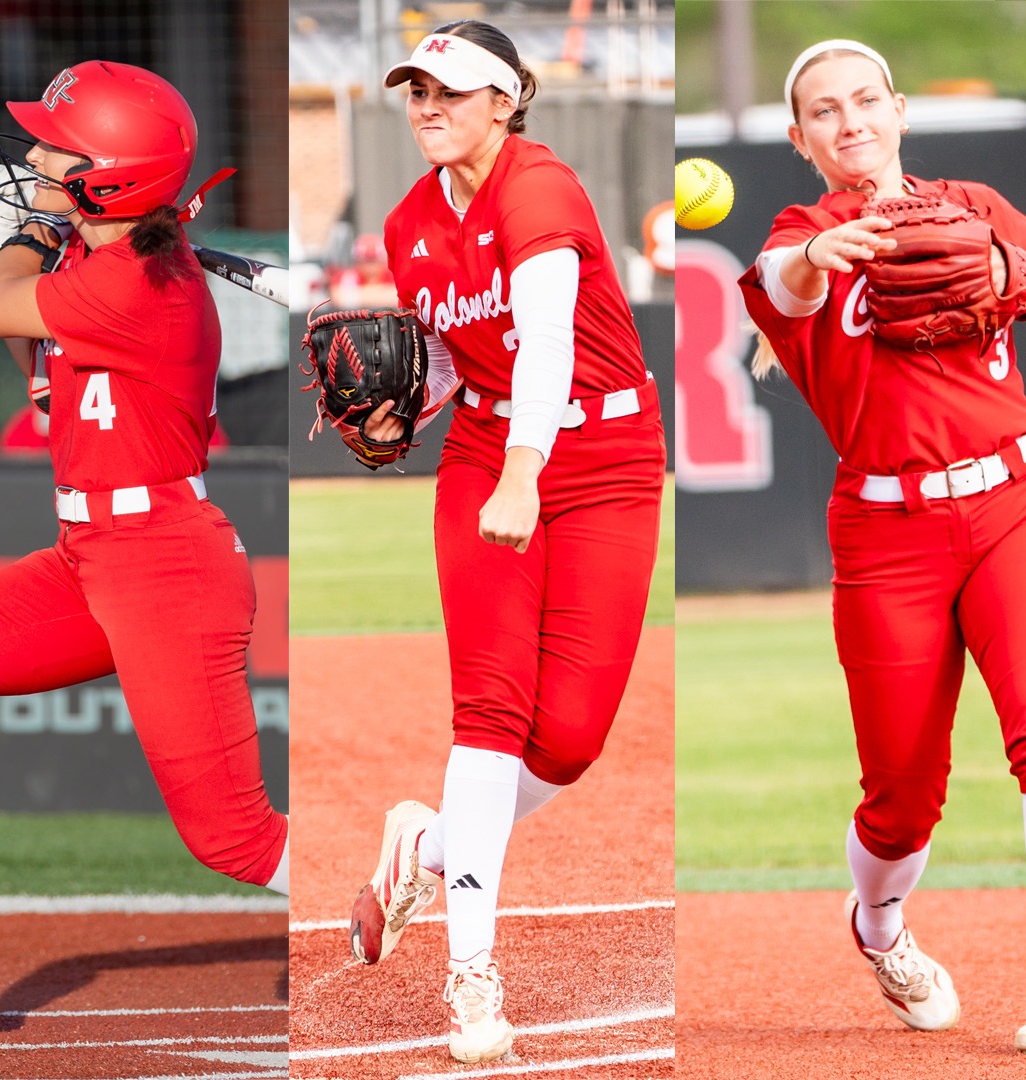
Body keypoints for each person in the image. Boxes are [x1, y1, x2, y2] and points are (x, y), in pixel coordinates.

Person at [0, 60, 290, 1010]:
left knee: (235, 843)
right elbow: (25, 338)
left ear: (110, 179)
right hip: (87, 559)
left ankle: (407, 863)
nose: (31, 157)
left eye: (56, 150)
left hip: (165, 567)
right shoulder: (106, 259)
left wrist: (27, 233)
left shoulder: (137, 287)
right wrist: (46, 229)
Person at [334, 19, 666, 1065]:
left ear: (508, 99)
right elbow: (454, 358)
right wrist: (404, 411)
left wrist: (530, 471)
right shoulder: (404, 222)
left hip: (601, 459)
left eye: (451, 89)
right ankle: (472, 976)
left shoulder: (541, 189)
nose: (428, 107)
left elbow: (551, 339)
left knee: (567, 739)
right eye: (415, 91)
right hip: (486, 453)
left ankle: (425, 844)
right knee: (490, 708)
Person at [737, 39, 1026, 1054]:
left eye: (866, 100)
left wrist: (1001, 264)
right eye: (825, 112)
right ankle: (878, 924)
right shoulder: (807, 229)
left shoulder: (972, 197)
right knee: (903, 794)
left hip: (1013, 495)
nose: (851, 121)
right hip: (888, 530)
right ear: (801, 140)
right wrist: (811, 261)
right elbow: (778, 281)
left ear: (901, 109)